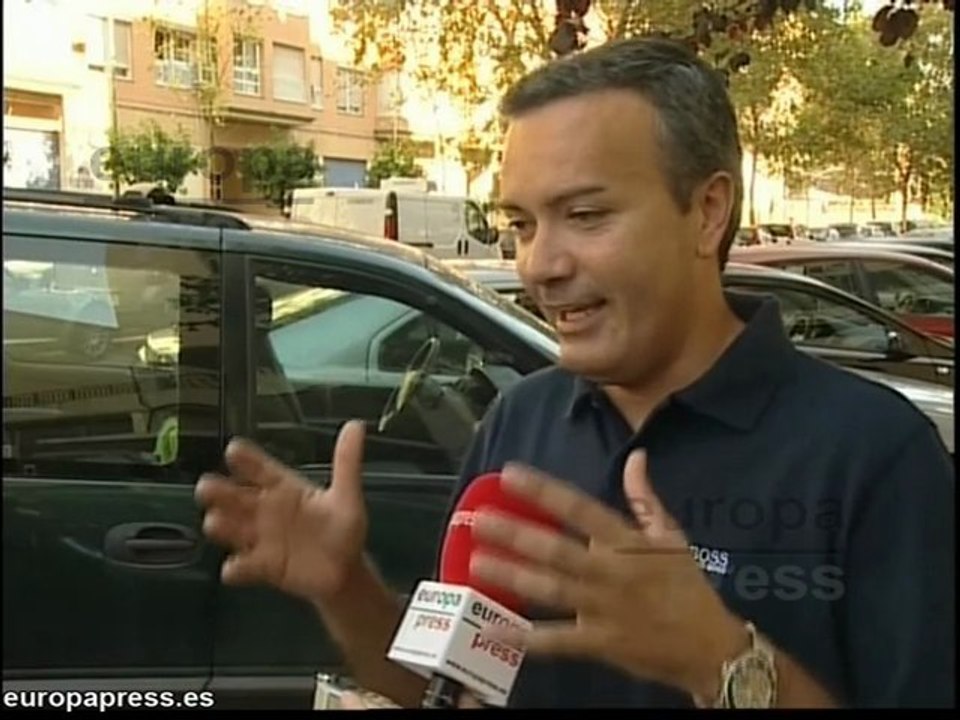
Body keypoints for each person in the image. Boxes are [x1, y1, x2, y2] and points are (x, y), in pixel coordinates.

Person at [195, 37, 954, 709]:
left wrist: (722, 662)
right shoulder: (519, 423)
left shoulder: (876, 457)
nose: (538, 266)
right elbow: (448, 687)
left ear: (708, 211)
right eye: (521, 224)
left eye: (585, 216)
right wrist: (348, 591)